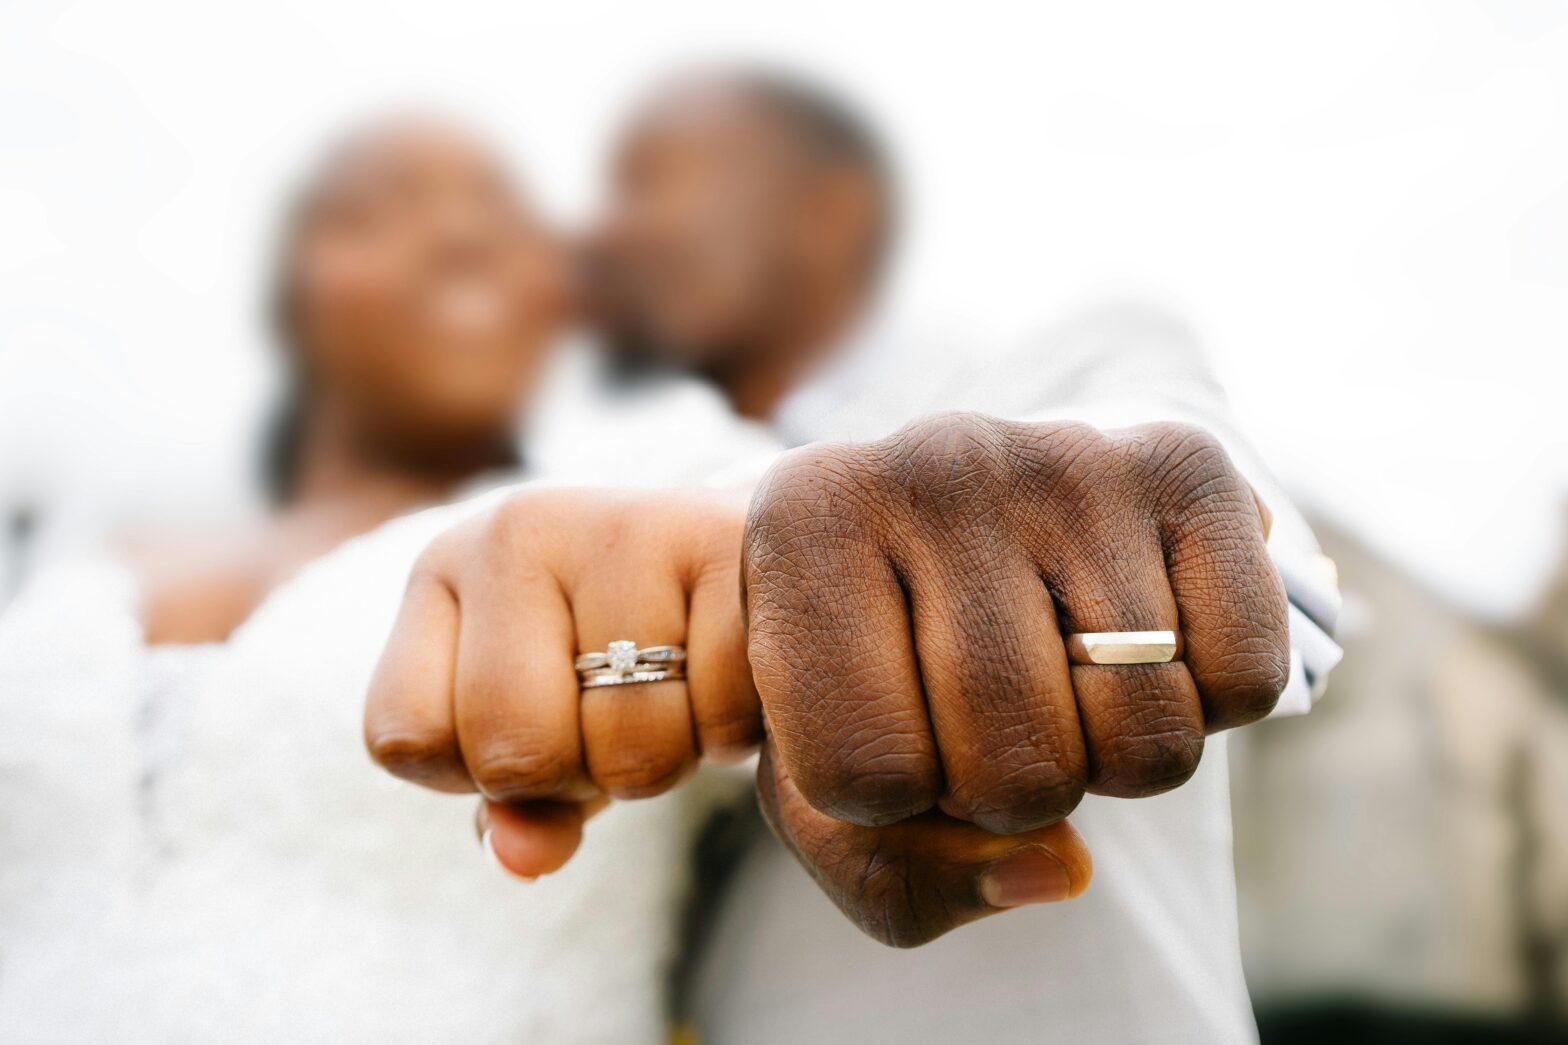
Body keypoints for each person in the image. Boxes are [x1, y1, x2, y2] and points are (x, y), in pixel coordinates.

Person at [367, 70, 1342, 1044]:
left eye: (659, 184)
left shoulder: (1060, 360)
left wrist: (1080, 532)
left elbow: (1236, 548)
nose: (610, 235)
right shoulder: (596, 475)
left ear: (829, 211)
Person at [0, 119, 698, 1043]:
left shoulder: (658, 488)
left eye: (505, 219)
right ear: (295, 292)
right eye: (379, 211)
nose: (457, 235)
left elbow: (798, 555)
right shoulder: (95, 561)